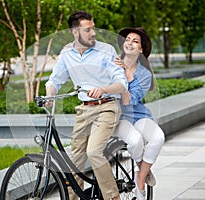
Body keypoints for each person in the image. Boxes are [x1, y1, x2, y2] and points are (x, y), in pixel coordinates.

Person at [45, 10, 128, 200]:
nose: (93, 33)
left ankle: (112, 198)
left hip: (107, 107)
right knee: (75, 158)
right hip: (84, 109)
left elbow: (122, 84)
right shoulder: (67, 54)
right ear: (75, 32)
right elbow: (54, 81)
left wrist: (104, 89)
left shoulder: (106, 50)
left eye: (93, 28)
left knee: (94, 152)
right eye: (88, 29)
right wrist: (49, 95)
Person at [113, 27, 165, 200]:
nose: (130, 42)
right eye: (128, 39)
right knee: (135, 141)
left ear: (141, 49)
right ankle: (144, 167)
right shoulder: (111, 64)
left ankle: (140, 179)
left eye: (135, 41)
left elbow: (130, 100)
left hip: (137, 115)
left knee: (158, 137)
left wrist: (128, 73)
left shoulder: (144, 74)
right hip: (116, 116)